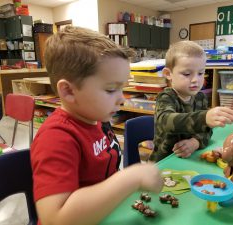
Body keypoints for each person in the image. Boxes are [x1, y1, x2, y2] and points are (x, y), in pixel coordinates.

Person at [30, 26, 163, 225]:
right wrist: (130, 179)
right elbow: (54, 218)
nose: (121, 100)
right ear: (68, 91)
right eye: (111, 90)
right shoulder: (56, 137)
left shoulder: (97, 119)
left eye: (122, 88)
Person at [149, 40, 233, 162]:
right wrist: (204, 118)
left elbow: (207, 131)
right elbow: (165, 121)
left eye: (201, 73)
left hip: (190, 159)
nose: (195, 80)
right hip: (165, 162)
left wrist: (195, 142)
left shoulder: (200, 97)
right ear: (168, 74)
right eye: (187, 74)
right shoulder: (166, 97)